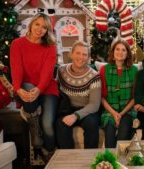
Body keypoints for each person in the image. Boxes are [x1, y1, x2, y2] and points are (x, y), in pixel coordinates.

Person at [10, 13, 58, 160]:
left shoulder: (50, 47)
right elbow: (16, 68)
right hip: (26, 86)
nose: (40, 29)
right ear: (31, 24)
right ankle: (34, 124)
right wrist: (17, 88)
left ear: (47, 31)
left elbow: (47, 73)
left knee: (48, 125)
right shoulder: (17, 44)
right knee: (26, 87)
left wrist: (39, 89)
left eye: (44, 27)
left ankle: (49, 151)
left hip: (47, 88)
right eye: (37, 24)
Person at [56, 41, 101, 149]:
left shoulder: (94, 76)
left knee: (92, 123)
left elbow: (94, 105)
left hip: (87, 111)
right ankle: (68, 160)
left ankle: (90, 159)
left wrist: (75, 115)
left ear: (88, 57)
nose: (81, 57)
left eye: (84, 54)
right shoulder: (61, 71)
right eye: (78, 53)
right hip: (66, 109)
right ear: (71, 54)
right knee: (60, 124)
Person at [100, 39, 138, 148]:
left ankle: (122, 162)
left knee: (122, 138)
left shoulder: (134, 70)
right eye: (117, 49)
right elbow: (102, 97)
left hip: (127, 111)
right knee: (110, 139)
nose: (120, 52)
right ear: (113, 52)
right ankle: (111, 162)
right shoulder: (104, 70)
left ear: (127, 54)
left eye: (123, 50)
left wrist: (121, 114)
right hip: (110, 111)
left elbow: (135, 97)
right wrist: (114, 113)